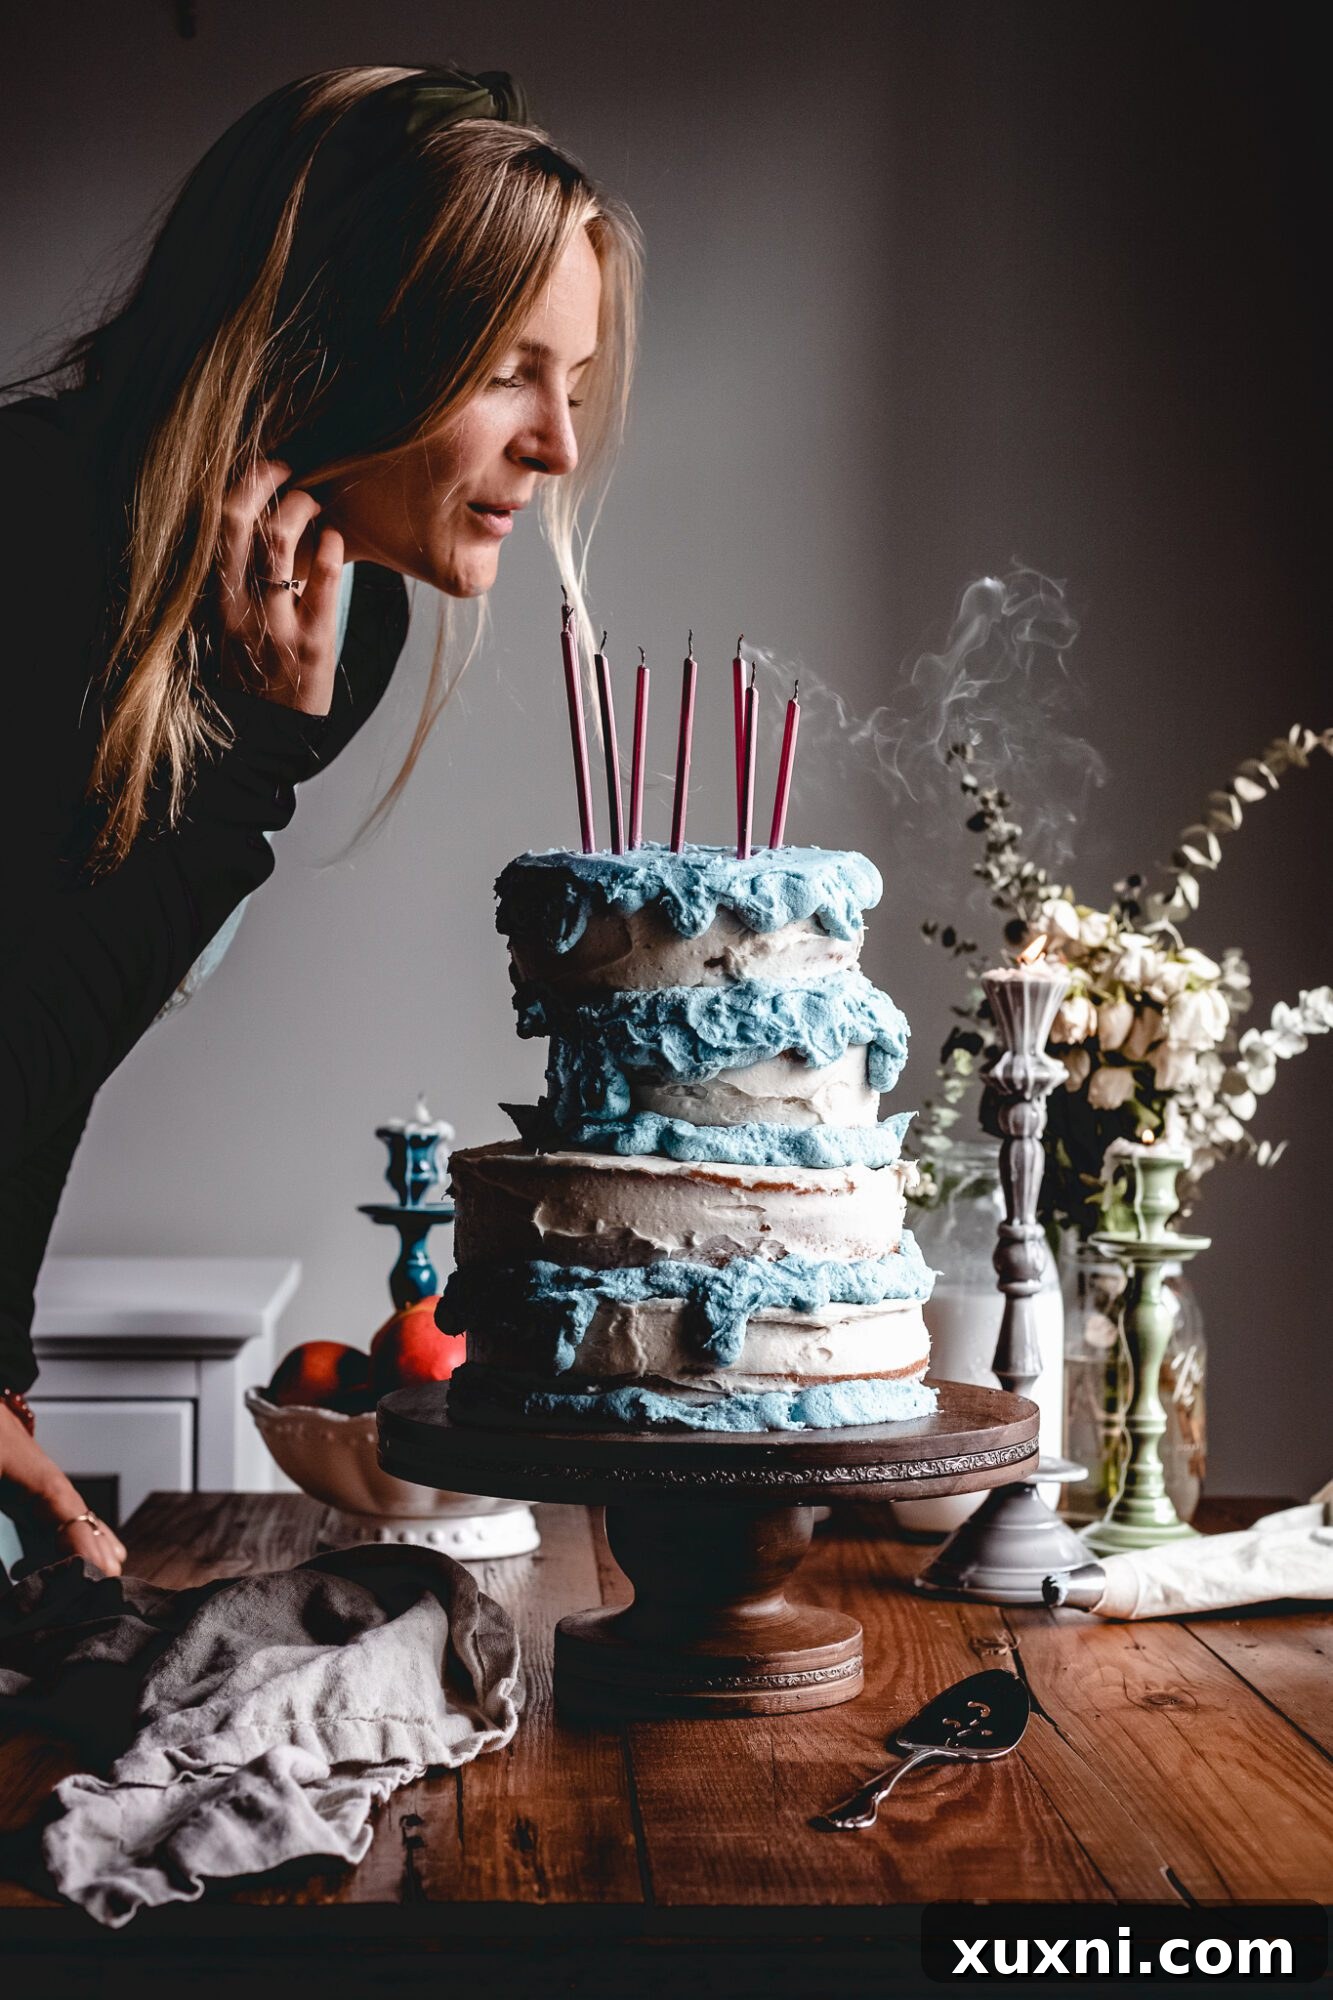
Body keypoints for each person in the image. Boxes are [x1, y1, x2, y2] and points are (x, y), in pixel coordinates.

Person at [0, 63, 641, 1577]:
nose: (557, 445)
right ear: (343, 347)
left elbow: (49, 1045)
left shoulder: (323, 630)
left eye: (577, 380)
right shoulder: (30, 536)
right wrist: (244, 778)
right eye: (508, 369)